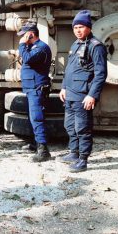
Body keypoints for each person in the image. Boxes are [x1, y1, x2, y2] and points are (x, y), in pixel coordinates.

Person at [59, 10, 107, 172]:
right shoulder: (75, 44)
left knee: (83, 128)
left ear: (88, 27)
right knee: (70, 126)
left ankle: (83, 160)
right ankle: (74, 152)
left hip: (83, 95)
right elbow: (69, 69)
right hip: (70, 93)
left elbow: (101, 74)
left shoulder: (96, 46)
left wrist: (92, 95)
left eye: (81, 27)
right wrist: (63, 87)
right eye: (75, 27)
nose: (78, 30)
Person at [17, 22, 53, 162]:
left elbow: (27, 58)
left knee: (37, 118)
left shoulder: (41, 48)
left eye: (24, 35)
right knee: (33, 118)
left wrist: (22, 45)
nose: (21, 38)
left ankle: (43, 151)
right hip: (31, 88)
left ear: (30, 34)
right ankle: (36, 144)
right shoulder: (32, 47)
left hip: (37, 88)